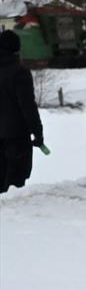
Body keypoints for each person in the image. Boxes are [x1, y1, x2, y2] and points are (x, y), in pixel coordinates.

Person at [0, 29, 44, 193]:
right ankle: (14, 215)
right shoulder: (19, 72)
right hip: (16, 134)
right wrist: (37, 133)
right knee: (15, 180)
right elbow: (27, 106)